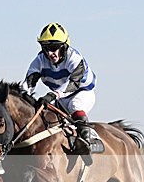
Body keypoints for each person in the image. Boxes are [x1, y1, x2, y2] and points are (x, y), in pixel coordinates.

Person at [25, 22, 96, 152]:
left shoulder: (74, 58)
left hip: (82, 92)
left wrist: (53, 95)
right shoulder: (40, 60)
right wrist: (22, 97)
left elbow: (73, 83)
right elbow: (29, 83)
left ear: (64, 46)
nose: (50, 53)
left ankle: (86, 143)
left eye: (54, 47)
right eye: (46, 48)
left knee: (76, 106)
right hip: (60, 98)